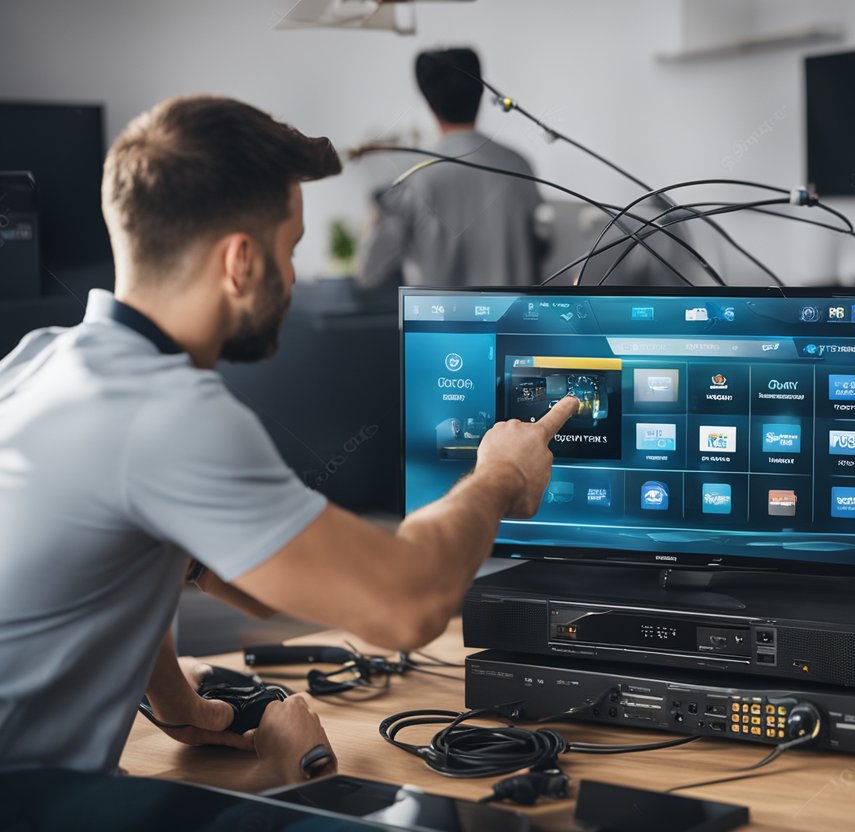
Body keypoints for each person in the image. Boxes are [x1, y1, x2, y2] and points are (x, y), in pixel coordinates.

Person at [0, 94, 577, 784]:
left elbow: (125, 560)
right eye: (291, 247)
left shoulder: (36, 360)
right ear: (241, 261)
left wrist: (178, 703)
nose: (296, 277)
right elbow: (407, 602)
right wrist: (501, 477)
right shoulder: (169, 411)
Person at [356, 47, 547, 289]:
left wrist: (375, 212)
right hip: (516, 323)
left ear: (428, 101)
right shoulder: (519, 165)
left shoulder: (415, 178)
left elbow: (369, 271)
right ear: (479, 94)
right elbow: (545, 247)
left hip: (441, 324)